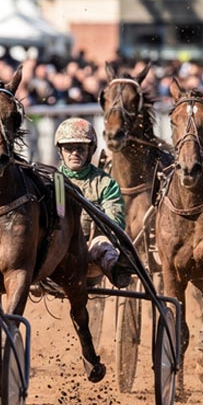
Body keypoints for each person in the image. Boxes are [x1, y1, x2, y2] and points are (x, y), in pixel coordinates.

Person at [53, 118, 126, 282]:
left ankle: (117, 271)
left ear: (90, 150)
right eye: (69, 148)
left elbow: (116, 223)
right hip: (56, 251)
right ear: (60, 151)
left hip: (91, 250)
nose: (74, 153)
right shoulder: (51, 181)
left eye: (80, 148)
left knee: (104, 245)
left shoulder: (105, 183)